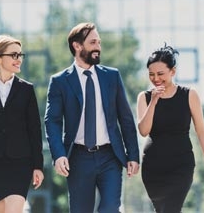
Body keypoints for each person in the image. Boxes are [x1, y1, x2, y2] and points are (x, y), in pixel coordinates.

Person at [44, 22, 140, 213]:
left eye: (99, 42)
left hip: (110, 156)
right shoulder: (60, 81)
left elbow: (126, 118)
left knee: (111, 208)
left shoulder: (111, 76)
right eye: (93, 42)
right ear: (77, 45)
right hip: (78, 158)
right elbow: (52, 121)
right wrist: (59, 154)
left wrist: (133, 155)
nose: (98, 47)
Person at [137, 44, 204, 213]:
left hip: (181, 165)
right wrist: (154, 101)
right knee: (162, 210)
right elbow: (144, 131)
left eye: (161, 74)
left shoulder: (189, 95)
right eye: (151, 74)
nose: (156, 79)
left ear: (173, 71)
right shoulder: (144, 97)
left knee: (172, 208)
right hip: (153, 166)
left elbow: (201, 131)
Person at [0, 35, 44, 213]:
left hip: (20, 163)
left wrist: (38, 166)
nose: (18, 59)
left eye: (20, 55)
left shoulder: (27, 89)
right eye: (14, 55)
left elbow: (34, 130)